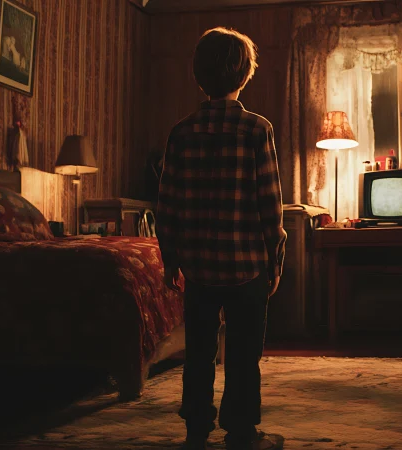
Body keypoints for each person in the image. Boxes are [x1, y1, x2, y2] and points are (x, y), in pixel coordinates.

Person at [156, 27, 288, 450]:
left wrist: (170, 256)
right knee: (245, 354)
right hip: (246, 265)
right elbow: (271, 204)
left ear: (198, 75)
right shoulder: (256, 130)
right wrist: (275, 258)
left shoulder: (181, 133)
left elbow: (168, 204)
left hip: (198, 267)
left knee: (198, 351)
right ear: (246, 75)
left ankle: (196, 424)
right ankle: (241, 429)